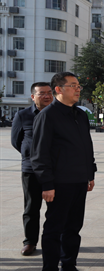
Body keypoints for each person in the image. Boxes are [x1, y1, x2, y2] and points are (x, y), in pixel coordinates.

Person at [30, 72, 96, 271]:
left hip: (79, 181)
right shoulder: (47, 115)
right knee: (54, 229)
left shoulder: (80, 114)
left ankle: (69, 268)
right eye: (73, 85)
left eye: (78, 85)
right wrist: (47, 184)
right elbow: (39, 153)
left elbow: (86, 146)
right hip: (59, 184)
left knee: (73, 228)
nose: (78, 89)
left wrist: (90, 173)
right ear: (58, 89)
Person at [11, 82, 53, 256]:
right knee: (31, 207)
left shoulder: (58, 114)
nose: (46, 96)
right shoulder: (23, 115)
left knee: (55, 209)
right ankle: (30, 241)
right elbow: (16, 141)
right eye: (42, 93)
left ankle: (52, 241)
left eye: (49, 92)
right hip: (31, 170)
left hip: (55, 169)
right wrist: (31, 155)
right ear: (32, 96)